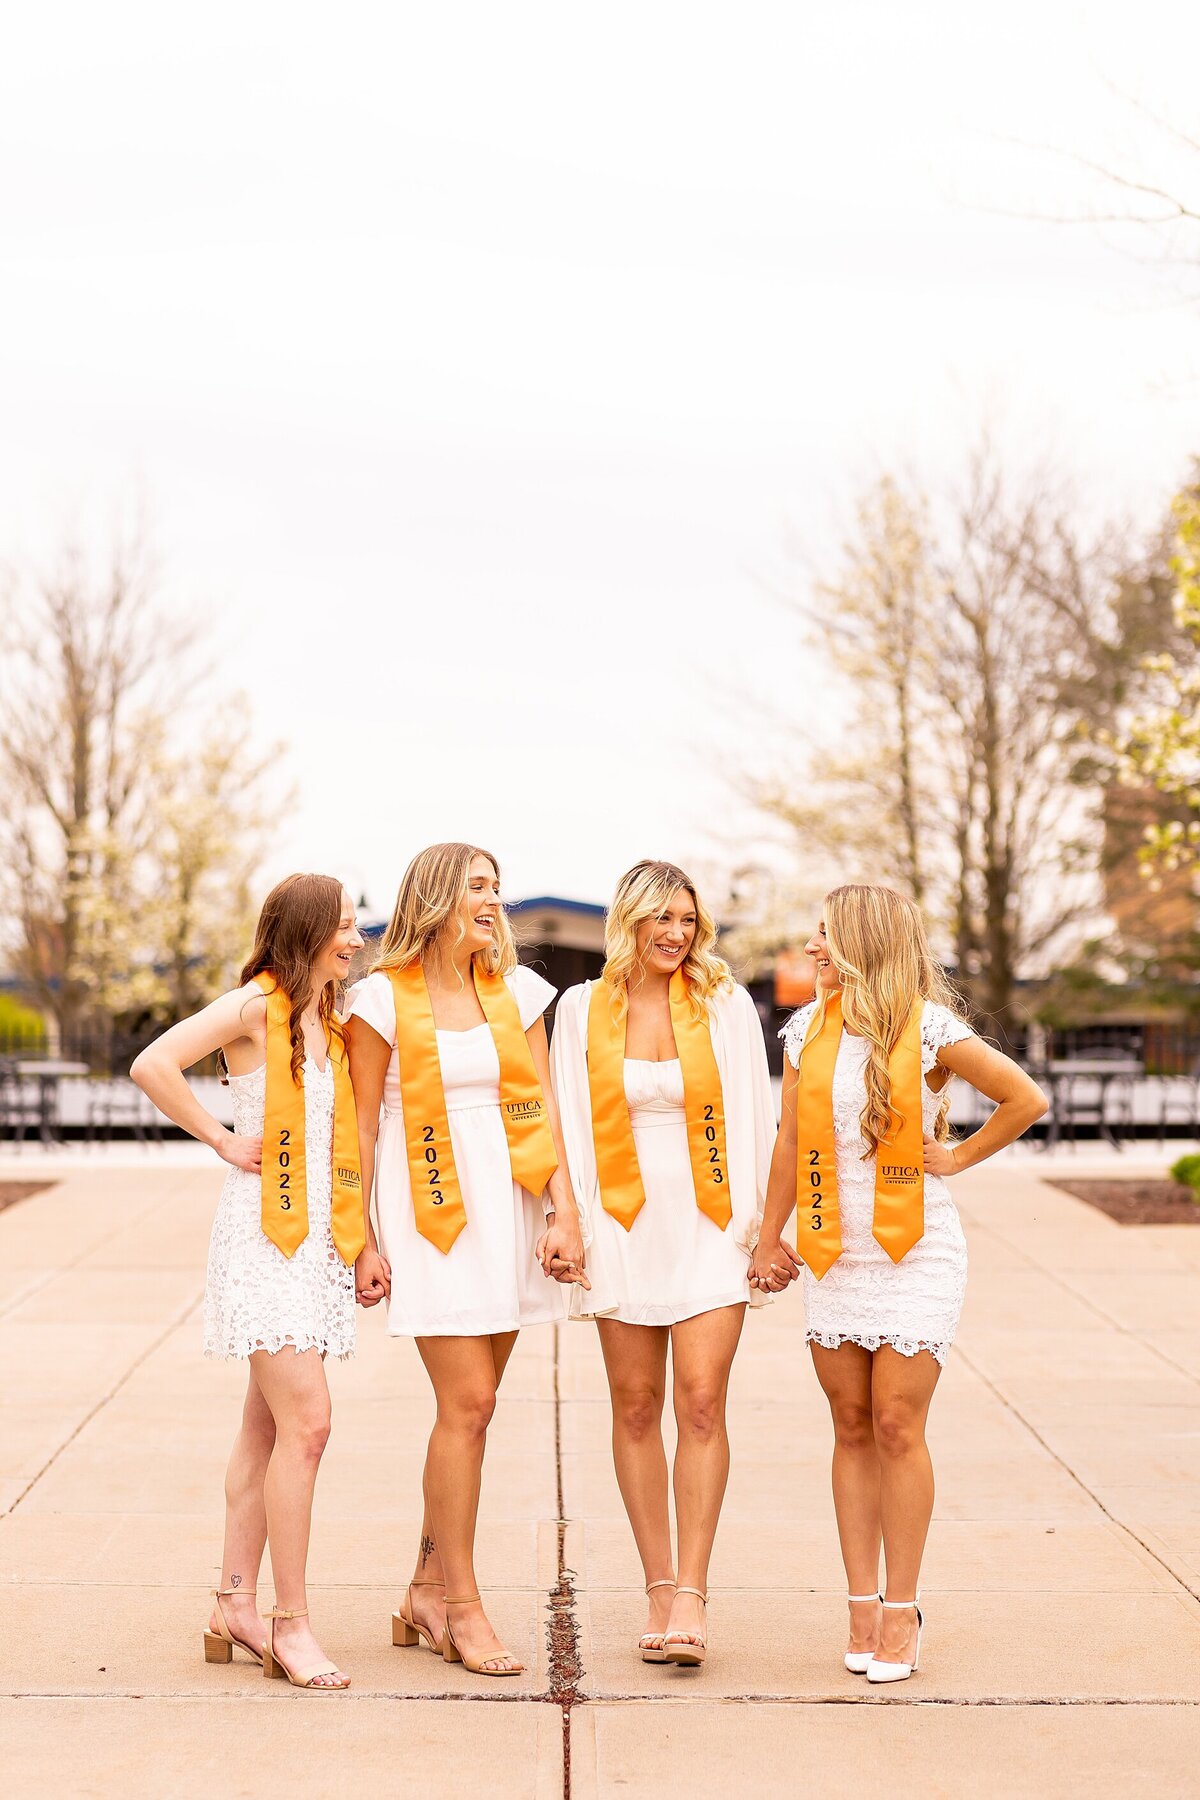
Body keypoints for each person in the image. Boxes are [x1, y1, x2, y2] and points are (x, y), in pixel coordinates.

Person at [750, 884, 1047, 1683]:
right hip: (835, 1251)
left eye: (825, 934)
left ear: (862, 942)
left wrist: (955, 1156)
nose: (812, 947)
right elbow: (788, 1142)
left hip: (916, 1253)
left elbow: (1025, 1098)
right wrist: (769, 1235)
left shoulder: (930, 1028)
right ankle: (859, 1603)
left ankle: (902, 1608)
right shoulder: (806, 1031)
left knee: (895, 1425)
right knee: (850, 1425)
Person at [345, 842, 585, 1678]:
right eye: (476, 887)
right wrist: (361, 1235)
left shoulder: (517, 992)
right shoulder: (378, 1000)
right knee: (469, 1402)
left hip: (509, 1208)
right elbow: (362, 1124)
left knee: (474, 1412)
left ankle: (423, 1586)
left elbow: (543, 1103)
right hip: (430, 1212)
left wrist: (564, 1213)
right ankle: (461, 1605)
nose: (492, 900)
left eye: (496, 887)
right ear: (436, 899)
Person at [131, 874, 366, 1691]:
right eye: (344, 926)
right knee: (309, 1424)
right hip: (265, 1238)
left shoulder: (326, 1019)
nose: (357, 939)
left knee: (266, 1429)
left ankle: (233, 1604)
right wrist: (222, 1138)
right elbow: (153, 1063)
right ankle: (288, 1623)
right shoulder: (253, 1008)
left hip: (314, 1243)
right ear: (306, 931)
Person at [551, 860, 775, 1668]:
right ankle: (657, 1584)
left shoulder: (724, 1004)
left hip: (712, 1221)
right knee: (637, 1406)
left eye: (688, 919)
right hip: (621, 1224)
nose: (677, 934)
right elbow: (564, 1120)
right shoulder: (582, 1008)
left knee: (702, 1402)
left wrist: (765, 1229)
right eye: (662, 919)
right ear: (630, 922)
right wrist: (566, 1221)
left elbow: (758, 1114)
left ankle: (693, 1593)